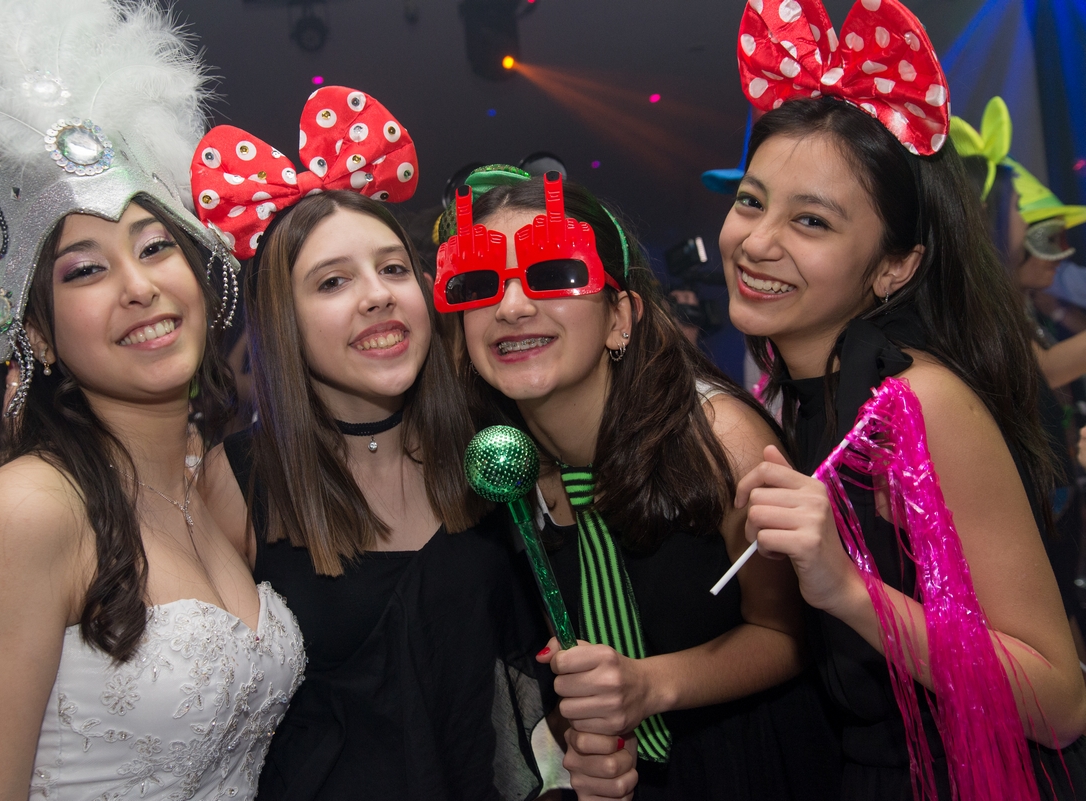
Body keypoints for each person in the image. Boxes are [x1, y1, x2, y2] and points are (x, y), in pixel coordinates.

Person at [0, 1, 304, 798]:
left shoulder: (206, 482)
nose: (139, 286)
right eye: (86, 269)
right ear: (39, 333)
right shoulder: (27, 512)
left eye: (155, 247)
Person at [726, 0, 1086, 797]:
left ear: (896, 265)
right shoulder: (816, 393)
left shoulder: (917, 401)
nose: (756, 240)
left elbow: (1059, 701)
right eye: (751, 201)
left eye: (810, 220)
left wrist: (847, 588)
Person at [191, 89, 555, 801]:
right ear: (283, 322)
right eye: (333, 282)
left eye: (393, 269)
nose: (378, 295)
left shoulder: (493, 452)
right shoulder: (238, 481)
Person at [435, 167, 838, 800]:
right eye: (479, 285)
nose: (511, 307)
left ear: (620, 317)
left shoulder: (716, 438)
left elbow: (792, 635)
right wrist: (578, 733)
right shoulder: (503, 470)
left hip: (756, 765)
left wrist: (649, 686)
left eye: (553, 274)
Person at [952, 96, 1086, 662]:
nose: (1055, 250)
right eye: (1028, 220)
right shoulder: (975, 314)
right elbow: (1042, 373)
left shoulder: (1014, 311)